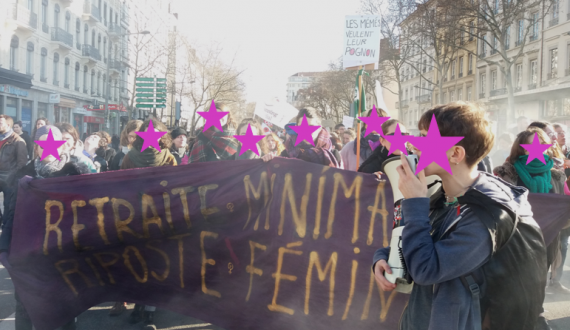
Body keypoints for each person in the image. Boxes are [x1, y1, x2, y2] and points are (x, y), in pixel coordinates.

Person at [373, 102, 546, 330]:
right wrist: (383, 257)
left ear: (455, 153)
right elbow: (429, 241)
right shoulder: (449, 193)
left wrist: (415, 203)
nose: (413, 145)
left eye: (425, 138)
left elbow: (427, 269)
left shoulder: (488, 212)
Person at [0, 125, 89, 330]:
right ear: (36, 147)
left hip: (65, 254)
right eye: (42, 144)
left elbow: (88, 214)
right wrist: (4, 247)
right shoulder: (21, 176)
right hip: (29, 254)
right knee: (25, 306)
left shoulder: (75, 174)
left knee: (66, 306)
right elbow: (11, 216)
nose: (48, 148)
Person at [120, 118, 175, 330]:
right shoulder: (130, 157)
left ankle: (150, 310)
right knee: (137, 265)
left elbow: (176, 187)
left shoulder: (168, 158)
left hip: (160, 219)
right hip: (134, 219)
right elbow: (120, 184)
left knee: (155, 265)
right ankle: (138, 305)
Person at [262, 107, 341, 167]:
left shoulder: (333, 155)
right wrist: (269, 161)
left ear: (319, 127)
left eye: (311, 126)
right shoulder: (286, 154)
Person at [0, 115, 28, 221]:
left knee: (8, 205)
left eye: (0, 123)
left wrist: (12, 176)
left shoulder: (18, 141)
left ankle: (6, 227)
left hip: (9, 178)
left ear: (8, 125)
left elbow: (22, 163)